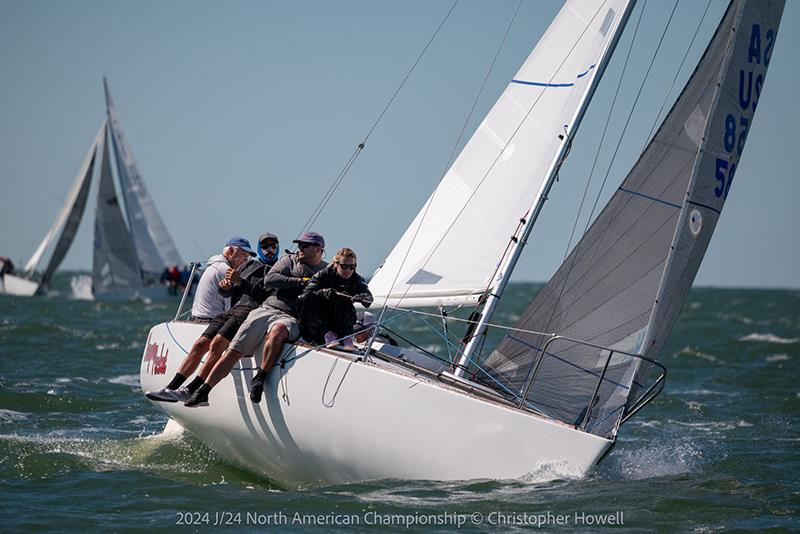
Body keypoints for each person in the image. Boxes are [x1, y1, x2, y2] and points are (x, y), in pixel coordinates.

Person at [185, 231, 327, 407]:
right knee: (233, 350)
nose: (300, 249)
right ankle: (203, 391)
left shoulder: (326, 272)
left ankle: (259, 379)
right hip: (265, 309)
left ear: (319, 249)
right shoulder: (287, 261)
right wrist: (299, 282)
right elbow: (270, 280)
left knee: (277, 333)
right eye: (299, 245)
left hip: (291, 317)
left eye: (305, 246)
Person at [146, 233, 281, 403]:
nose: (269, 250)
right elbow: (230, 292)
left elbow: (264, 295)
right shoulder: (249, 265)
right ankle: (171, 387)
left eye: (273, 247)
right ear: (260, 249)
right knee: (200, 344)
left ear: (277, 248)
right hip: (231, 311)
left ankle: (190, 389)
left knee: (217, 345)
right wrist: (224, 287)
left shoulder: (276, 271)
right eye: (265, 247)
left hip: (249, 313)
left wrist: (240, 282)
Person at [298, 247, 373, 349]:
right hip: (319, 323)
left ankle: (346, 337)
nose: (348, 270)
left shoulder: (356, 279)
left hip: (340, 322)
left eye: (352, 267)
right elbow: (304, 296)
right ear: (336, 264)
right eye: (344, 266)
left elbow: (369, 298)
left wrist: (361, 297)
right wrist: (322, 293)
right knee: (308, 298)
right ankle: (327, 335)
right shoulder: (323, 274)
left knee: (344, 295)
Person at [189, 237, 253, 322]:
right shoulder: (226, 270)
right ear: (231, 251)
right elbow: (229, 307)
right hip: (209, 320)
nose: (245, 260)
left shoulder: (215, 265)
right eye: (244, 255)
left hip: (196, 317)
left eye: (248, 257)